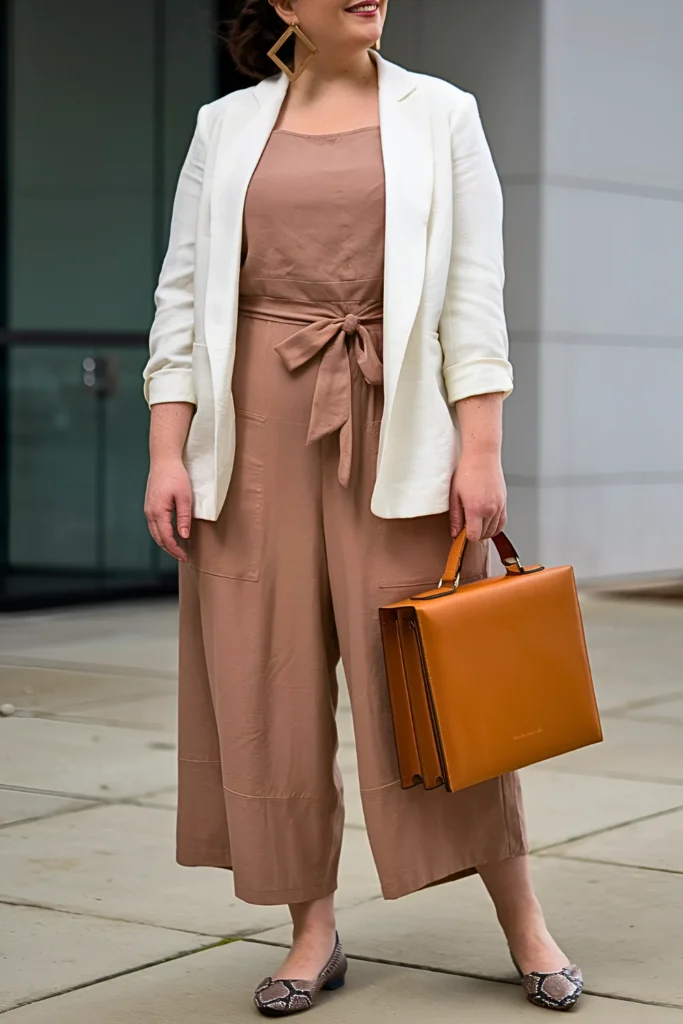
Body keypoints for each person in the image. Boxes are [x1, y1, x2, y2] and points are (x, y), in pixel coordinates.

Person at [143, 0, 583, 1014]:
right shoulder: (225, 125)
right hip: (250, 431)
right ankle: (312, 930)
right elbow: (182, 294)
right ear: (281, 5)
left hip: (402, 421)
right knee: (265, 686)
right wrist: (169, 447)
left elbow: (473, 291)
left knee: (436, 686)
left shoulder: (442, 112)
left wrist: (481, 450)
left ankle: (524, 922)